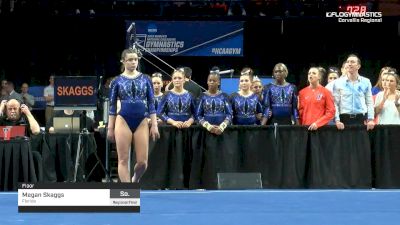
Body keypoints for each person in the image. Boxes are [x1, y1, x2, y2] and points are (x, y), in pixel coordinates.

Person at [107, 48, 160, 183]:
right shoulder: (116, 81)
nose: (133, 62)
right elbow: (112, 106)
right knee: (123, 159)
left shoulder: (146, 79)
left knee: (143, 162)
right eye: (130, 59)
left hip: (141, 120)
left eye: (135, 59)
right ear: (123, 61)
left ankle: (135, 179)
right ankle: (128, 190)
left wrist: (154, 125)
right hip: (123, 119)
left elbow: (151, 104)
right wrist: (110, 128)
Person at [332, 54, 375, 130]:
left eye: (352, 62)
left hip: (361, 119)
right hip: (344, 119)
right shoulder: (338, 82)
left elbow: (369, 102)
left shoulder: (366, 82)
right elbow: (335, 103)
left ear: (358, 66)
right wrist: (337, 120)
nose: (349, 64)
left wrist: (371, 119)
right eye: (348, 62)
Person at [196, 68, 232, 135]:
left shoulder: (224, 96)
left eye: (214, 81)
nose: (212, 82)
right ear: (207, 82)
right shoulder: (202, 96)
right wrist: (208, 126)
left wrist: (222, 127)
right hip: (206, 131)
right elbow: (198, 115)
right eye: (210, 80)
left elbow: (229, 114)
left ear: (218, 82)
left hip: (221, 131)